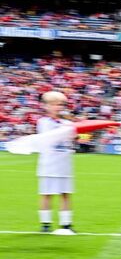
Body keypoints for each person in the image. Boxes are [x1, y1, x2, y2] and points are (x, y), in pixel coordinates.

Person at [37, 91, 76, 235]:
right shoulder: (43, 122)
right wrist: (65, 125)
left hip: (64, 164)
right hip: (48, 164)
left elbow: (73, 138)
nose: (58, 107)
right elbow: (50, 137)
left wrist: (74, 131)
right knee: (46, 194)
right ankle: (45, 224)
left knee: (65, 194)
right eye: (54, 104)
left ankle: (66, 224)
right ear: (46, 106)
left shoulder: (68, 123)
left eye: (60, 104)